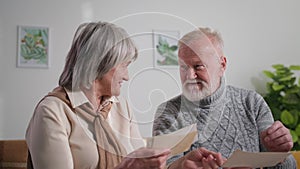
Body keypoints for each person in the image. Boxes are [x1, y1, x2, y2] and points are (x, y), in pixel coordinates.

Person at [26, 21, 170, 169]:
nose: (127, 76)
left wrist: (179, 164)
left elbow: (141, 159)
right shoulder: (52, 110)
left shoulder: (122, 107)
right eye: (124, 66)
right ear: (101, 64)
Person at [152, 27, 296, 169]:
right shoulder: (168, 113)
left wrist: (280, 153)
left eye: (198, 66)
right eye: (183, 67)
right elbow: (166, 166)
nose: (189, 76)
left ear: (222, 65)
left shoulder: (252, 103)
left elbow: (285, 166)